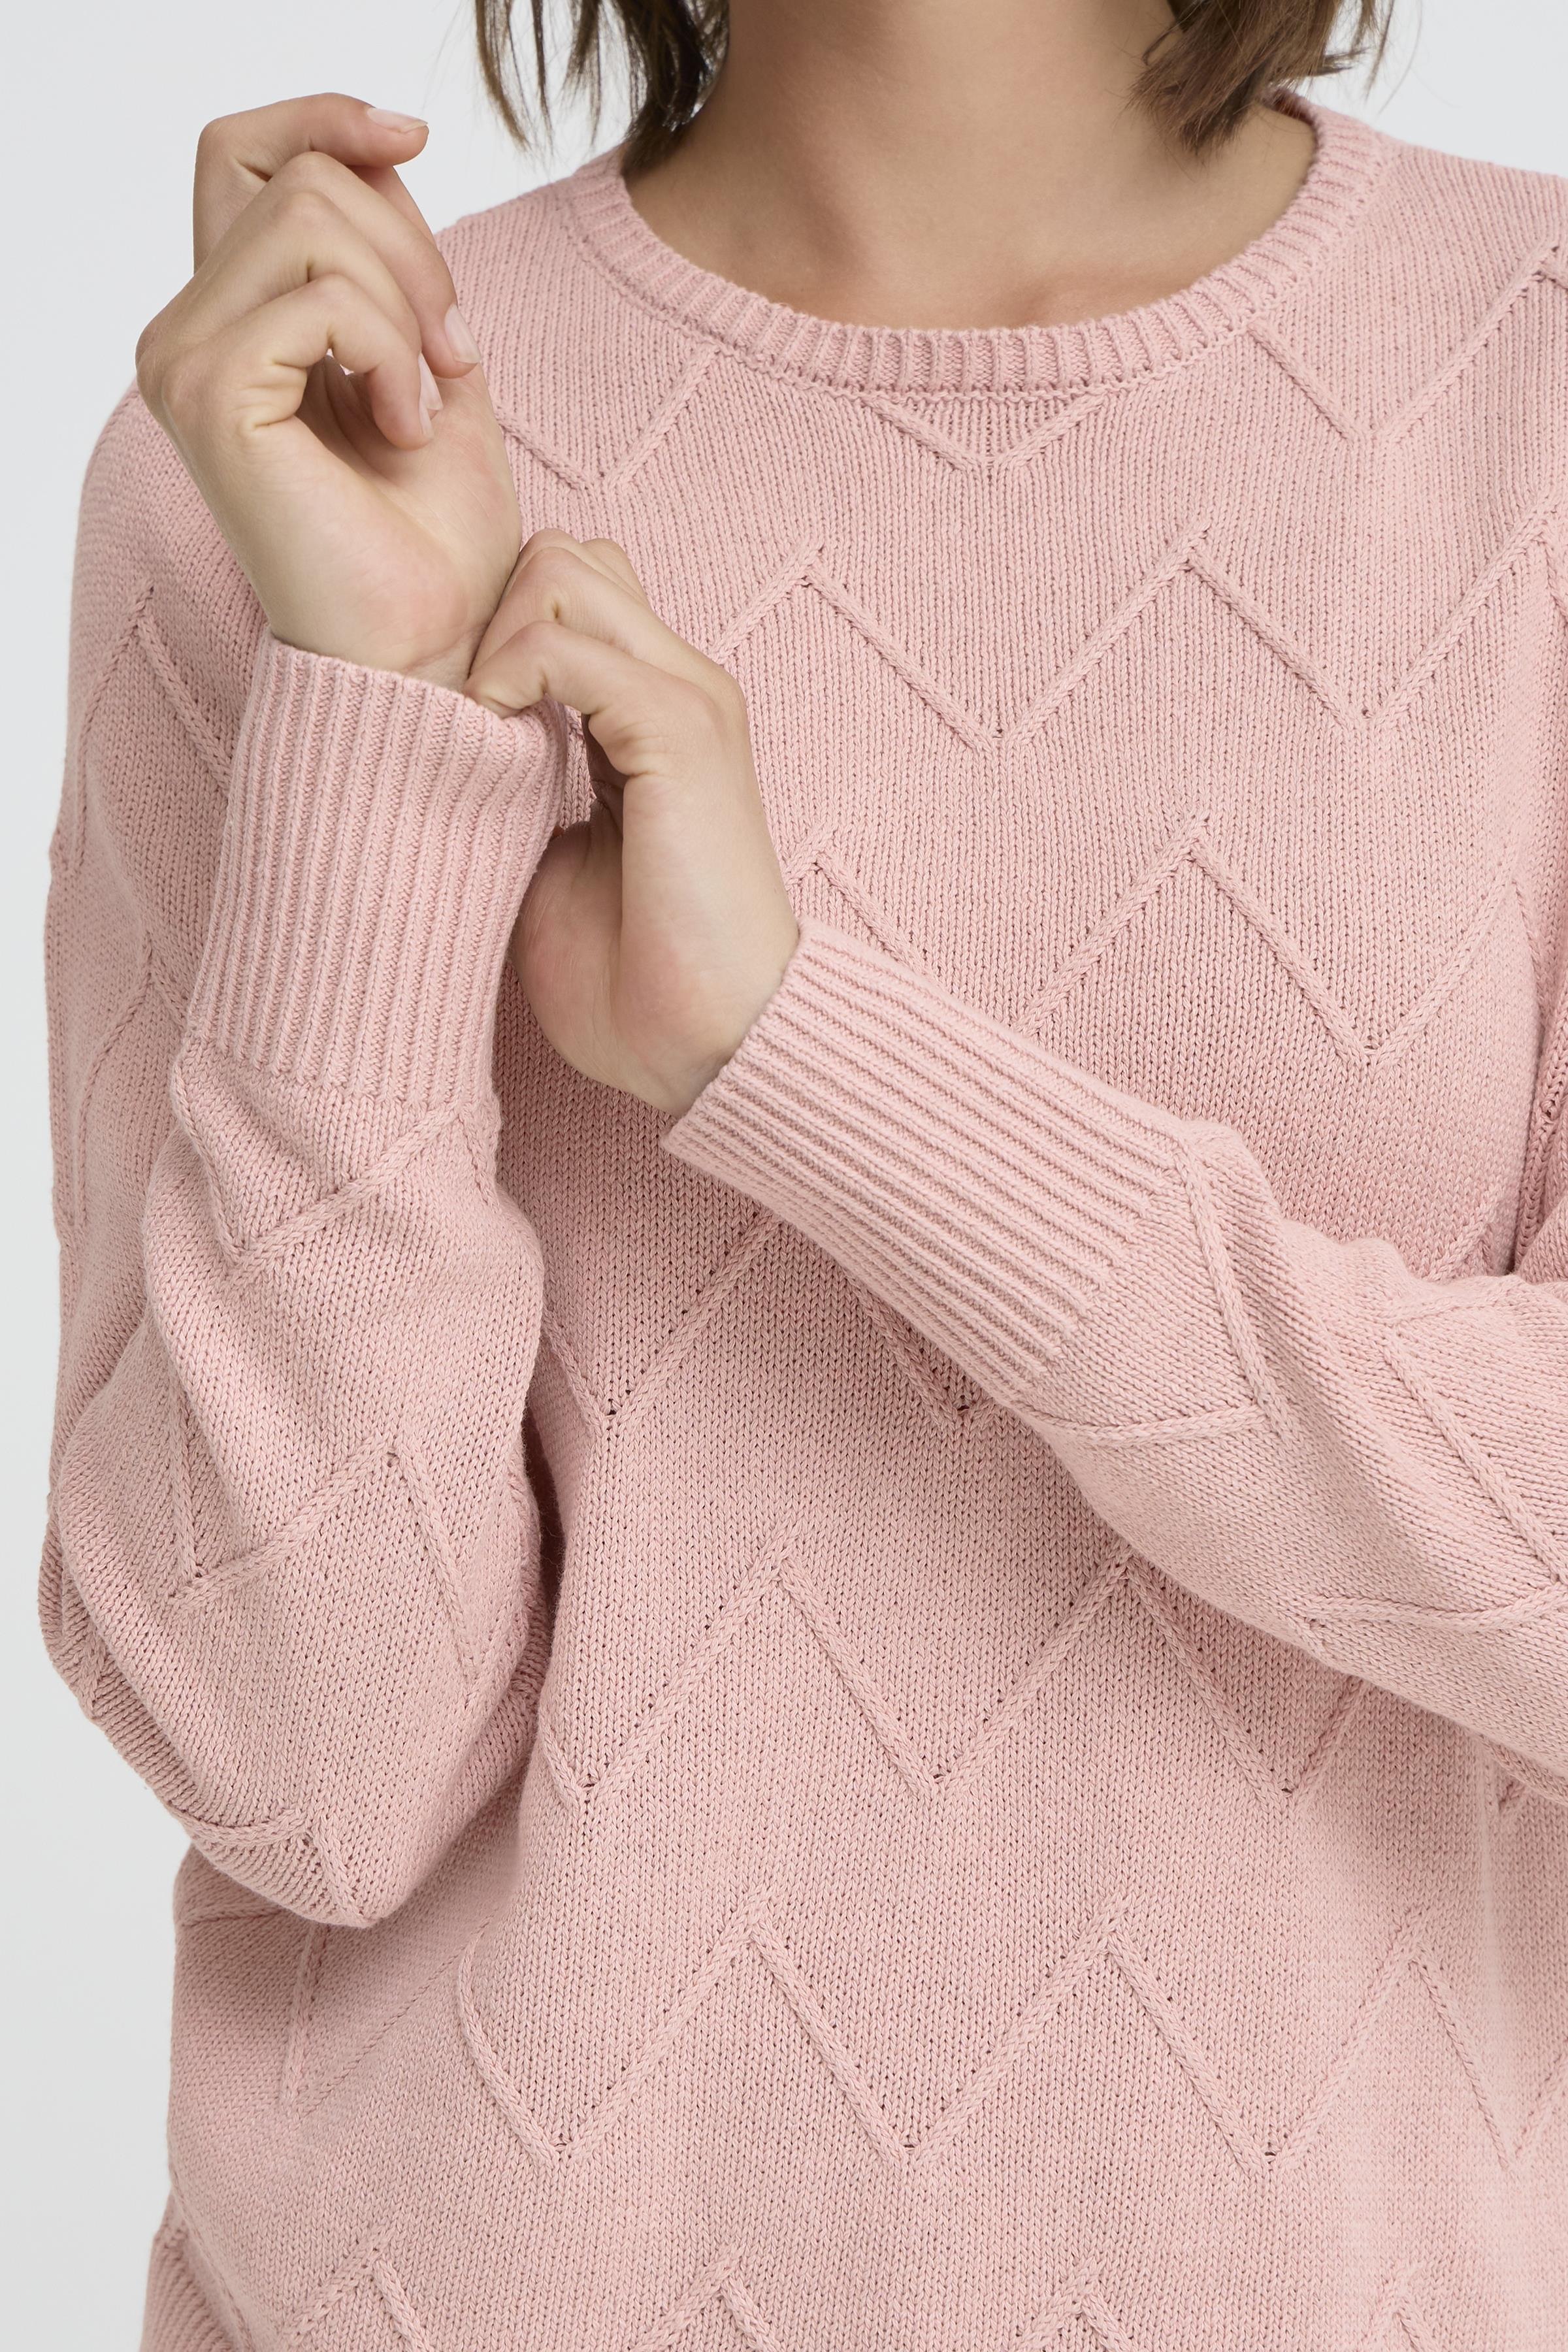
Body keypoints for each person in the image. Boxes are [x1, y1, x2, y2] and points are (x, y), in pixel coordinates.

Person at [40, 0, 1568, 2343]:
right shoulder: (301, 440)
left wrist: (793, 1049)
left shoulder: (1529, 385)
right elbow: (297, 1762)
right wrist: (378, 716)